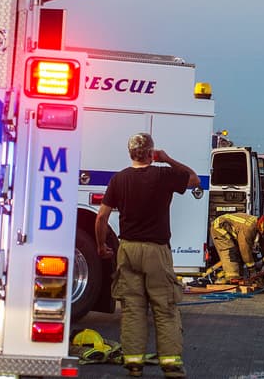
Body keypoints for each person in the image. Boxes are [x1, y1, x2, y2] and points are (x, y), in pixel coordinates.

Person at [94, 132, 199, 378]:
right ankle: (171, 365)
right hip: (156, 252)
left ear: (130, 153)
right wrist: (167, 159)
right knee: (164, 307)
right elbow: (194, 179)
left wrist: (101, 245)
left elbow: (101, 217)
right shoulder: (164, 175)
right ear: (151, 153)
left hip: (127, 249)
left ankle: (133, 363)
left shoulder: (119, 180)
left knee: (132, 308)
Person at [210, 211, 264, 281]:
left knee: (239, 254)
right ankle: (232, 277)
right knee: (231, 252)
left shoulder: (262, 226)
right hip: (219, 228)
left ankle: (237, 276)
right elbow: (245, 250)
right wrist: (252, 270)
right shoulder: (248, 228)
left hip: (231, 230)